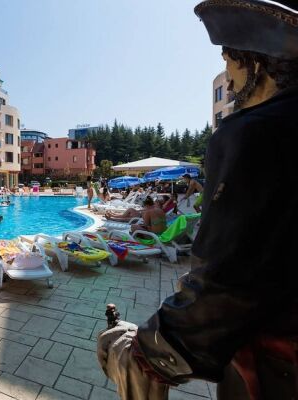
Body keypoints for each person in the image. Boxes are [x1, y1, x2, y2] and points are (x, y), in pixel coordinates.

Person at [97, 2, 298, 398]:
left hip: (275, 366)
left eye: (230, 62)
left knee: (121, 350)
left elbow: (229, 277)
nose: (229, 75)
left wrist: (155, 345)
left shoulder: (253, 133)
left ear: (256, 64)